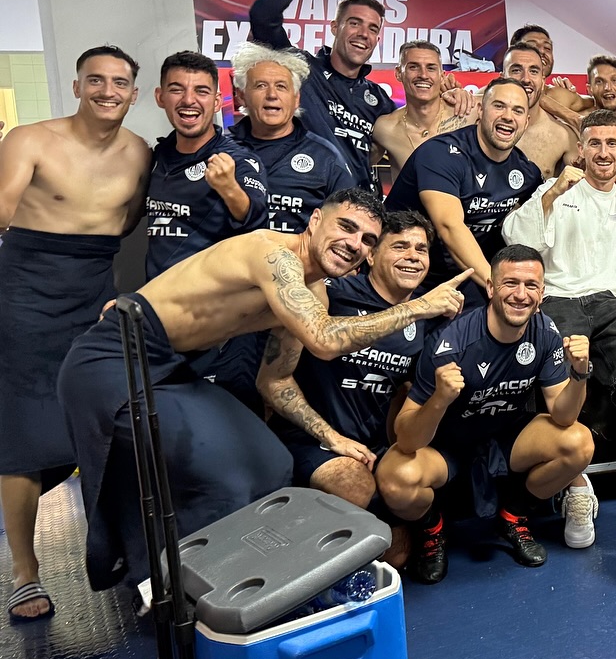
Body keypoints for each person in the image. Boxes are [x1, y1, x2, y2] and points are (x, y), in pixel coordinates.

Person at [57, 188, 469, 590]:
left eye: (367, 240)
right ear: (315, 220)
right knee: (220, 478)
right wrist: (417, 307)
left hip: (171, 365)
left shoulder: (313, 291)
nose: (354, 244)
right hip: (115, 356)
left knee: (270, 464)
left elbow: (275, 379)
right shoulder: (273, 255)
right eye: (346, 227)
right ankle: (178, 588)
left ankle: (243, 585)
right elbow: (324, 340)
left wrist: (331, 437)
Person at [0, 45, 151, 623]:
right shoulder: (30, 139)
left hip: (93, 291)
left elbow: (128, 220)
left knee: (104, 424)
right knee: (20, 432)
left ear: (134, 93)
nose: (107, 91)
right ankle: (24, 571)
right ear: (77, 86)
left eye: (119, 82)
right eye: (96, 80)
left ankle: (120, 557)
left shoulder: (139, 152)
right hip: (23, 291)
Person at [502, 109, 616, 516]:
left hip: (609, 302)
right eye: (595, 143)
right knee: (565, 369)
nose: (603, 152)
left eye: (611, 144)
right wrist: (551, 195)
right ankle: (575, 485)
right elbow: (515, 239)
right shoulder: (555, 189)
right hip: (558, 299)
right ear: (581, 149)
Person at [380, 244, 595, 578]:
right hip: (446, 446)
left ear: (542, 293)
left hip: (506, 440)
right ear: (491, 288)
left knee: (579, 442)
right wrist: (439, 399)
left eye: (531, 285)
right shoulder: (451, 342)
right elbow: (405, 439)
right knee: (395, 477)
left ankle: (514, 517)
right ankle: (432, 531)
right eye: (510, 283)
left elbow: (563, 416)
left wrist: (579, 372)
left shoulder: (545, 332)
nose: (521, 295)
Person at [257, 212, 436, 559]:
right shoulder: (329, 295)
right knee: (353, 486)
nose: (413, 256)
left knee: (398, 557)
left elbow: (409, 391)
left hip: (374, 445)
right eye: (400, 246)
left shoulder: (430, 312)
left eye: (421, 249)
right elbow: (274, 373)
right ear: (371, 255)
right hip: (312, 438)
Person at [249, 0, 442, 188]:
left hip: (363, 205)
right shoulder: (300, 69)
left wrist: (451, 95)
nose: (363, 34)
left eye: (372, 29)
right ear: (334, 27)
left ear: (377, 39)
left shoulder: (380, 101)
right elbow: (263, 14)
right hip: (310, 201)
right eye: (354, 23)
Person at [385, 77, 541, 302]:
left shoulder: (525, 171)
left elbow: (541, 218)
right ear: (480, 110)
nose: (508, 116)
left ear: (526, 122)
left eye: (517, 111)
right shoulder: (440, 154)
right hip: (408, 271)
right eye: (499, 106)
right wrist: (498, 287)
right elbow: (450, 227)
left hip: (467, 277)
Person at [144, 49, 268, 280]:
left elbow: (258, 224)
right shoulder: (157, 155)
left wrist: (229, 189)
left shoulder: (238, 159)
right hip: (155, 295)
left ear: (217, 101)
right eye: (177, 89)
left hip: (214, 299)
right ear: (160, 97)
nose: (188, 100)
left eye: (201, 91)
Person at [229, 41, 355, 233]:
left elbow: (349, 225)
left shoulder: (326, 157)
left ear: (296, 99)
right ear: (241, 96)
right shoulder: (219, 150)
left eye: (281, 86)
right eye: (261, 85)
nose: (272, 95)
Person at [371, 40, 478, 173]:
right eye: (413, 67)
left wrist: (467, 94)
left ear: (442, 76)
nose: (423, 75)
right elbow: (357, 166)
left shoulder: (468, 112)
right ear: (398, 73)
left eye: (431, 68)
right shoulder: (385, 128)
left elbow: (497, 92)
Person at [503, 43, 576, 179]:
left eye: (534, 71)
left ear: (542, 81)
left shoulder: (563, 136)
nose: (526, 79)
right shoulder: (477, 116)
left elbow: (587, 185)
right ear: (502, 78)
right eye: (516, 70)